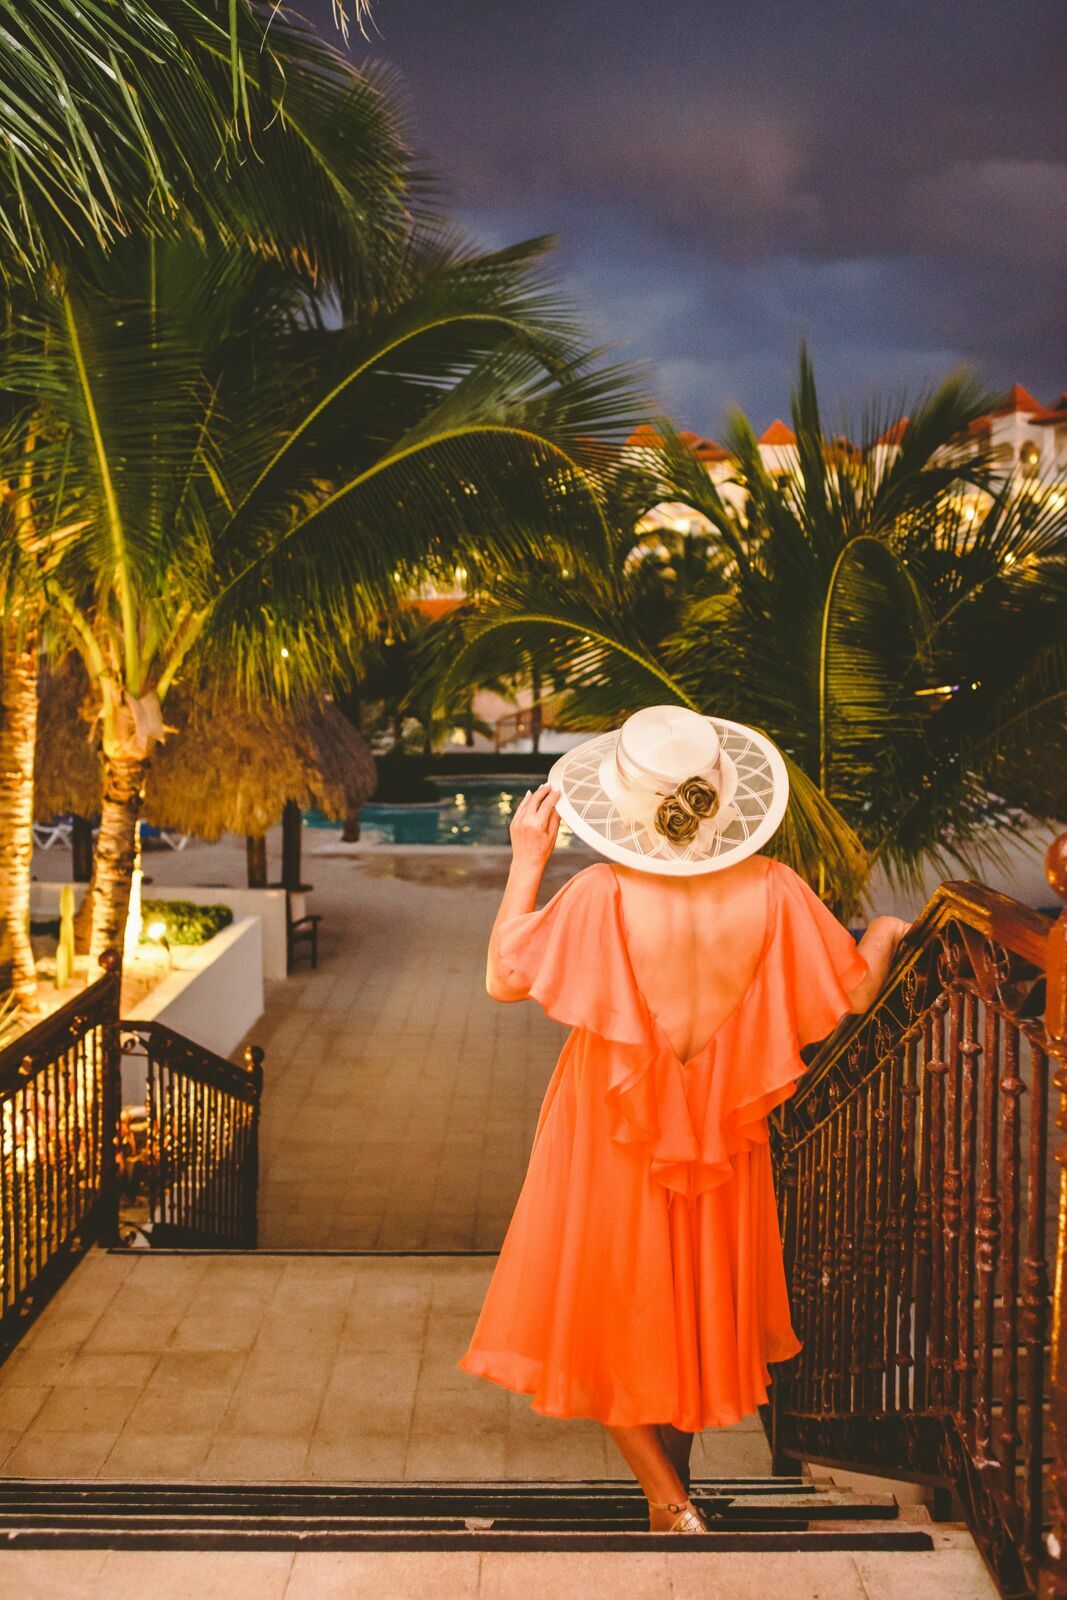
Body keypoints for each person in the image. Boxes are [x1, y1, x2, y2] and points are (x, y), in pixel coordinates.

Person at [458, 706, 910, 1532]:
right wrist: (881, 933)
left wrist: (527, 860)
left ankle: (669, 1502)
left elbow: (502, 976)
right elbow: (849, 992)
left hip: (608, 1126)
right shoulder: (772, 887)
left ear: (627, 807)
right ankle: (676, 1491)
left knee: (598, 1308)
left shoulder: (600, 893)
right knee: (688, 1306)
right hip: (720, 1130)